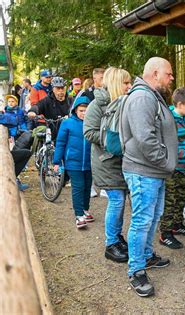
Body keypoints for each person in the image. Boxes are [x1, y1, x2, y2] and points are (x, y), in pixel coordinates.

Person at [121, 57, 177, 297]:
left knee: (152, 218)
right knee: (142, 220)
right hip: (144, 170)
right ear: (155, 74)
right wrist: (165, 161)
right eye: (169, 74)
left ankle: (145, 256)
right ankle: (136, 270)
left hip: (153, 171)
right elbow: (145, 138)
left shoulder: (150, 95)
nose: (171, 78)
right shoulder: (143, 97)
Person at [83, 67, 132, 262]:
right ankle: (110, 244)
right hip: (106, 162)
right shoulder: (97, 105)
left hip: (121, 161)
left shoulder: (124, 102)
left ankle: (117, 238)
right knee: (117, 201)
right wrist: (112, 139)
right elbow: (88, 132)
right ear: (115, 84)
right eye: (125, 83)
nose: (129, 86)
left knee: (120, 202)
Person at [159, 87, 185, 249]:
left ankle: (176, 224)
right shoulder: (168, 120)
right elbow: (165, 146)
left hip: (183, 166)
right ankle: (165, 233)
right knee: (170, 199)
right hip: (171, 167)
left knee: (182, 195)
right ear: (180, 104)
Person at [53, 96, 93, 229]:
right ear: (75, 110)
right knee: (78, 187)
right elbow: (60, 143)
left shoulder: (92, 123)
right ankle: (79, 215)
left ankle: (85, 210)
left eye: (86, 110)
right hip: (73, 163)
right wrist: (57, 161)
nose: (84, 113)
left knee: (87, 186)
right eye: (81, 110)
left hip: (89, 162)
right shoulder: (67, 123)